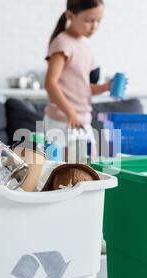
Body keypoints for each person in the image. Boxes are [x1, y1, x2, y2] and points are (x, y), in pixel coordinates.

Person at [44, 0, 111, 160]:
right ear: (70, 15)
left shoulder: (84, 46)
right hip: (62, 120)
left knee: (90, 165)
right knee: (64, 171)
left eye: (98, 21)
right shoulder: (63, 43)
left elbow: (83, 87)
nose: (94, 26)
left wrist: (106, 87)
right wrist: (69, 113)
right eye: (89, 20)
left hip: (80, 120)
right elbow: (50, 83)